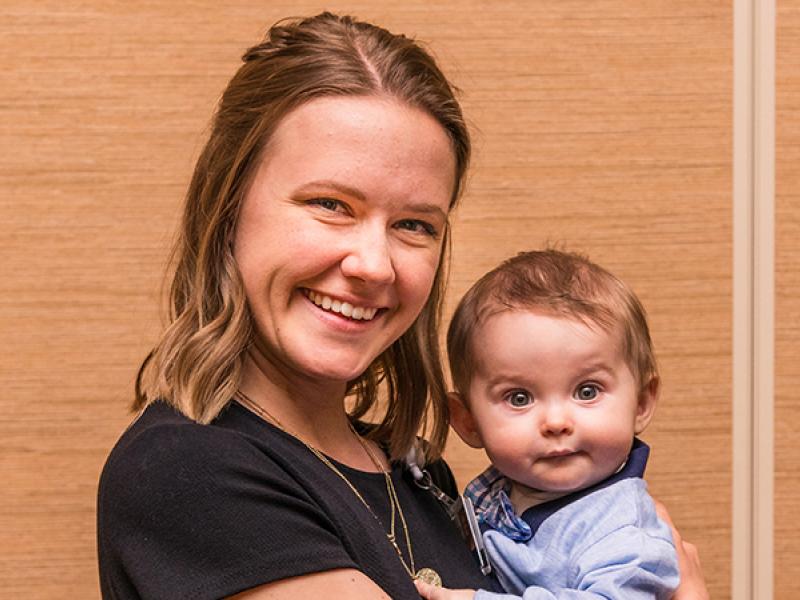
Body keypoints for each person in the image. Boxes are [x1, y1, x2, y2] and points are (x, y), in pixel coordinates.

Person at [96, 12, 708, 600]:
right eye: (330, 204)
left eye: (414, 224)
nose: (374, 264)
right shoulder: (189, 471)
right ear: (228, 210)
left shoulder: (422, 476)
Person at [417, 249, 682, 600]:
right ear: (468, 421)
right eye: (519, 398)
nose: (556, 422)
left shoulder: (623, 531)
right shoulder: (497, 493)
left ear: (642, 403)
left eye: (587, 391)